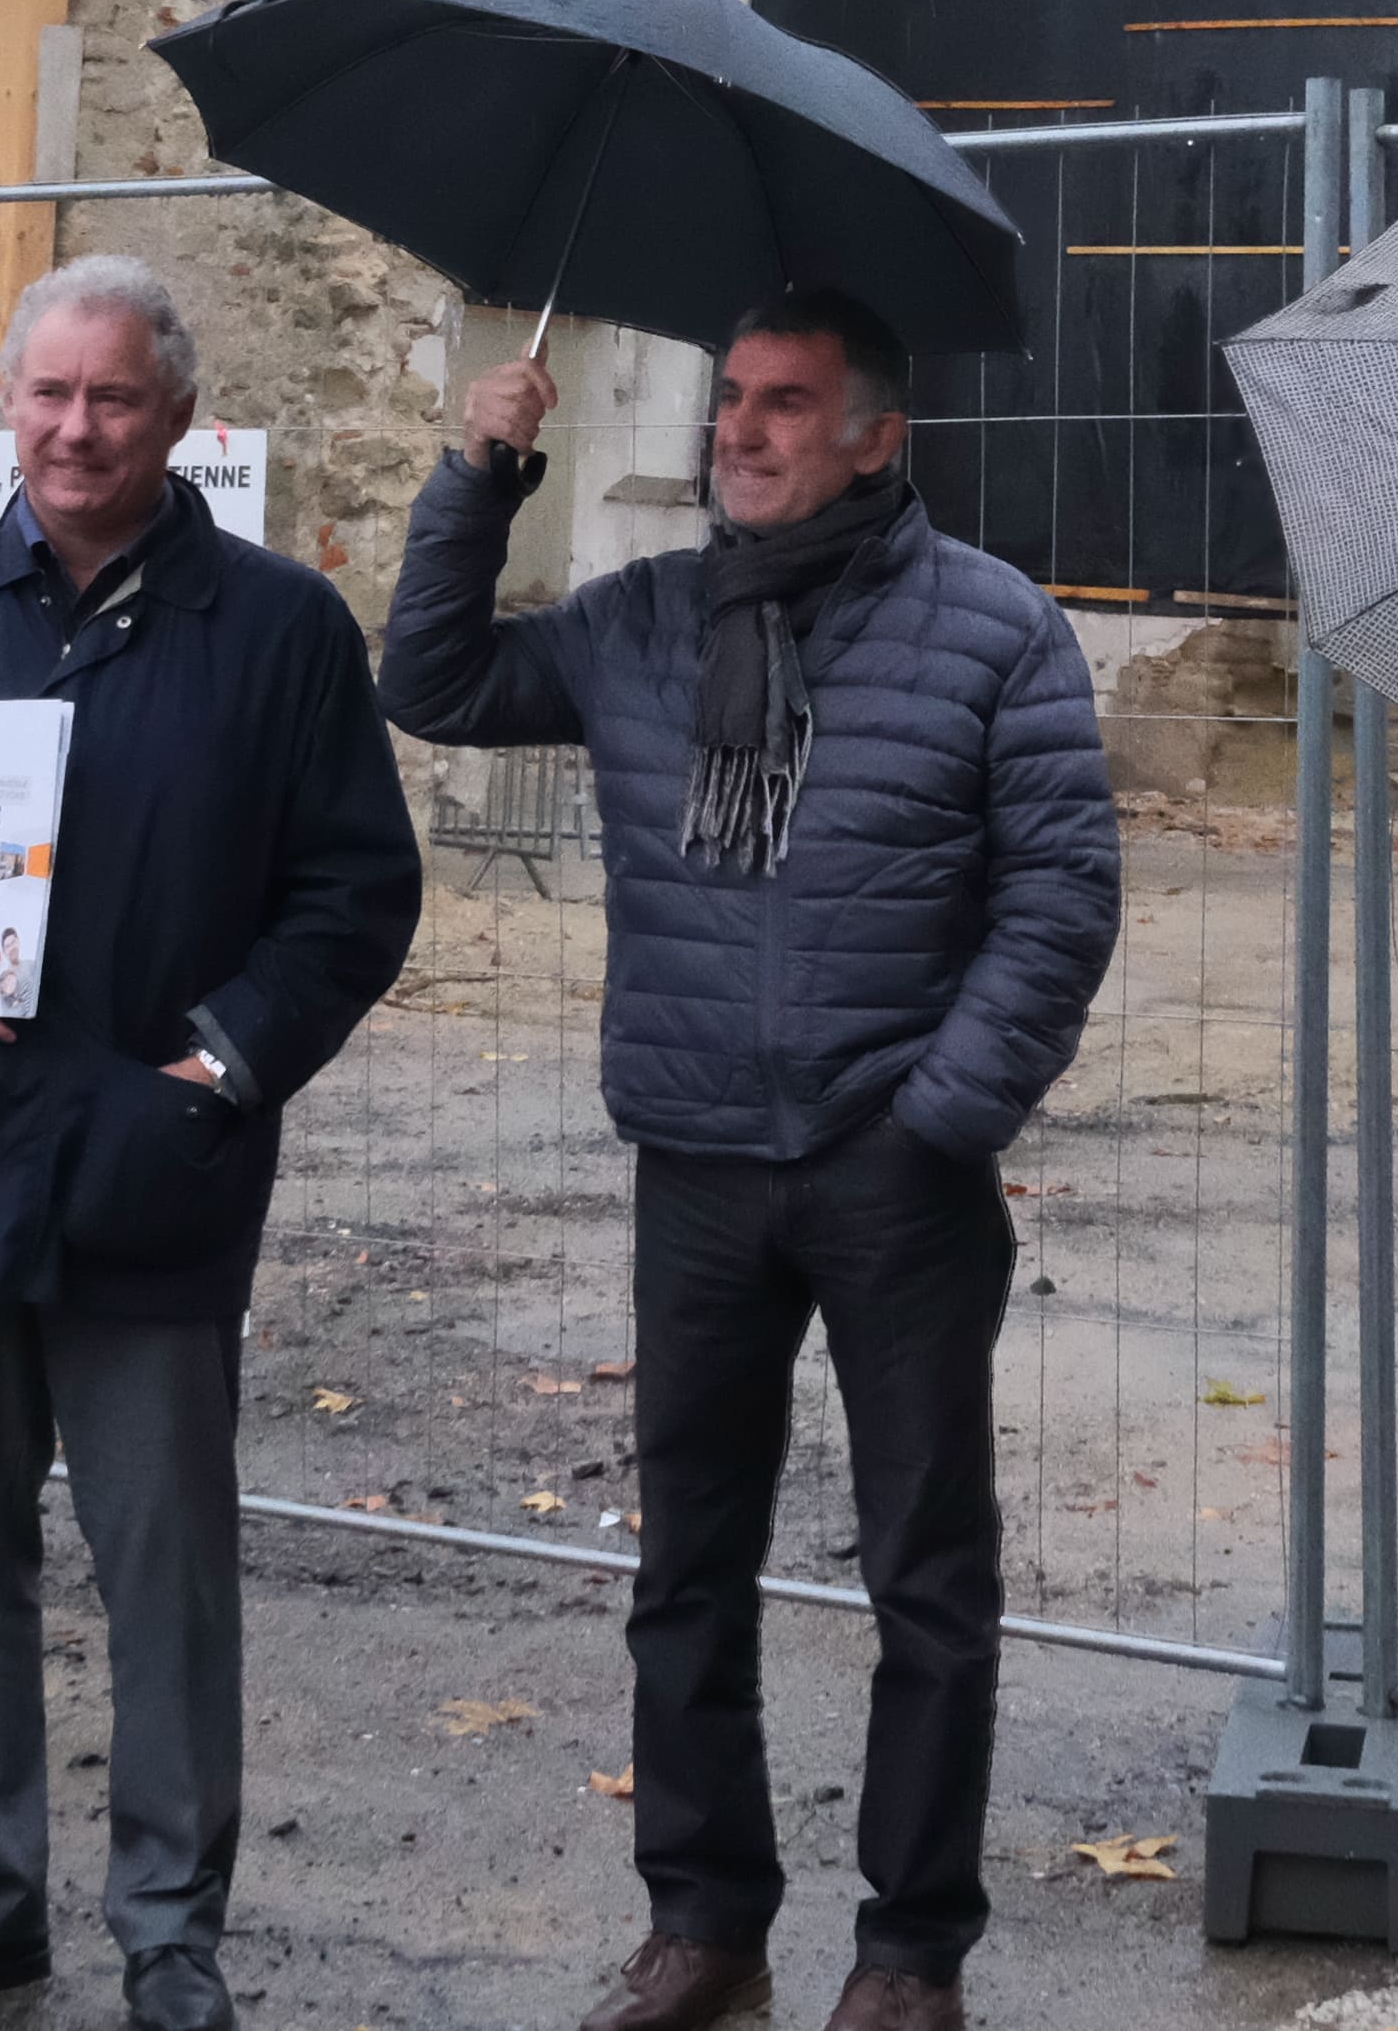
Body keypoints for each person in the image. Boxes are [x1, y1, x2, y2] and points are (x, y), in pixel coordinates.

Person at [383, 283, 1122, 2031]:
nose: (745, 431)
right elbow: (434, 678)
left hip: (897, 1175)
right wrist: (479, 474)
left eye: (789, 404)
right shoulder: (642, 620)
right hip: (699, 1162)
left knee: (926, 1575)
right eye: (732, 402)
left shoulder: (995, 633)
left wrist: (942, 1119)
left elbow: (1060, 897)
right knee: (686, 1567)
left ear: (881, 433)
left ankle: (910, 1953)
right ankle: (706, 1925)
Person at [0, 256, 424, 2031]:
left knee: (164, 1571)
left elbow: (354, 890)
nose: (73, 429)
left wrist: (225, 1060)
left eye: (112, 398)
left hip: (142, 1162)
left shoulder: (274, 631)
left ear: (176, 419)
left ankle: (170, 1933)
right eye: (46, 395)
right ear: (6, 411)